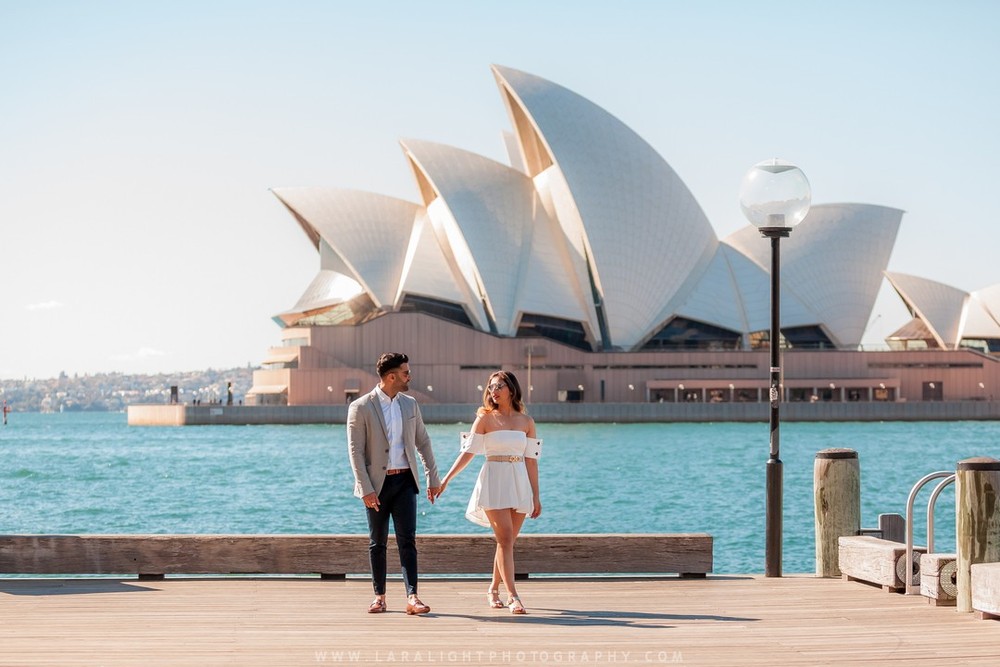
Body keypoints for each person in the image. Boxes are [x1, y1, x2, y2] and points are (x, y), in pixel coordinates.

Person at [435, 370, 541, 614]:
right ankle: (514, 596)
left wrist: (536, 495)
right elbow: (468, 453)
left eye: (499, 386)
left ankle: (493, 588)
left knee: (507, 542)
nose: (494, 391)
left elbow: (532, 461)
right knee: (504, 538)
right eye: (491, 387)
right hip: (493, 479)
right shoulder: (484, 419)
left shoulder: (527, 422)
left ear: (511, 390)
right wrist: (446, 479)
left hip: (519, 481)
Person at [347, 352, 441, 615]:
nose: (409, 376)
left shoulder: (410, 405)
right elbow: (355, 452)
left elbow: (423, 442)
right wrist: (365, 488)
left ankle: (413, 597)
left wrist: (433, 477)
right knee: (377, 542)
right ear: (391, 376)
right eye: (405, 373)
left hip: (405, 482)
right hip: (376, 485)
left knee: (407, 540)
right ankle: (379, 597)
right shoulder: (361, 407)